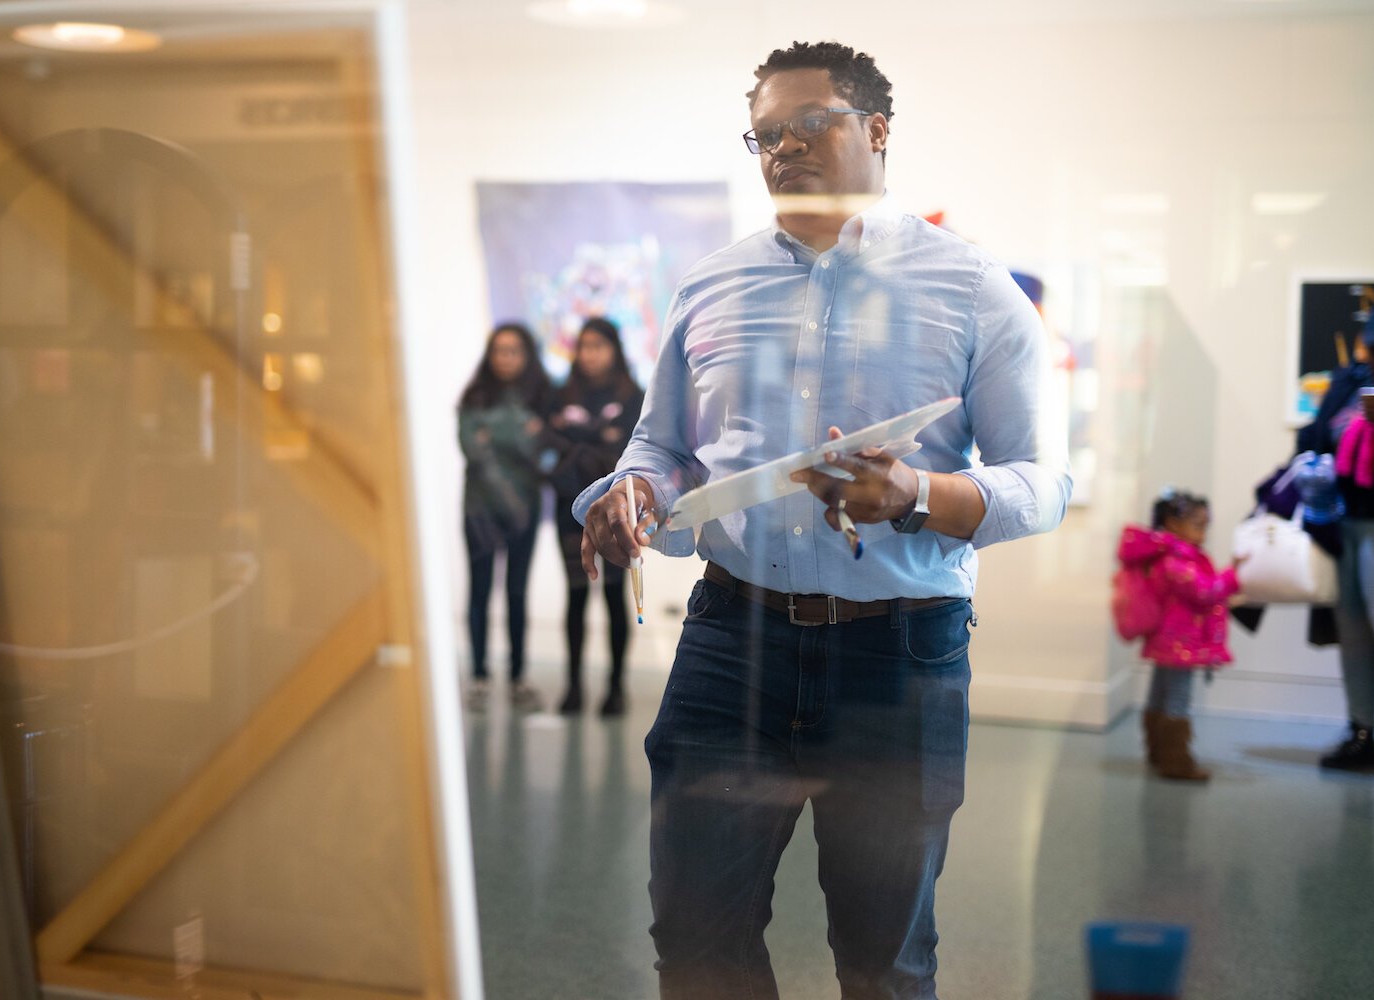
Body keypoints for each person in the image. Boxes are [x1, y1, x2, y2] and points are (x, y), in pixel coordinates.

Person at [574, 41, 1070, 999]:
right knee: (695, 935)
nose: (782, 150)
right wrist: (630, 492)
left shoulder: (974, 290)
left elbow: (1043, 484)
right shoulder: (709, 285)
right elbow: (660, 447)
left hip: (900, 657)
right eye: (764, 136)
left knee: (883, 960)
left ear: (876, 132)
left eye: (809, 126)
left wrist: (919, 496)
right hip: (730, 643)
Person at [546, 317, 644, 716]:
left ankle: (616, 687)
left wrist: (581, 449)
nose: (590, 353)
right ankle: (573, 686)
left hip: (617, 510)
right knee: (574, 596)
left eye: (599, 346)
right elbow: (549, 448)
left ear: (615, 350)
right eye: (584, 346)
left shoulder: (634, 396)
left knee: (613, 596)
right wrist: (597, 446)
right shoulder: (560, 395)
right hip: (570, 509)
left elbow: (631, 452)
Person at [1116, 489, 1241, 781]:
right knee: (1177, 700)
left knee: (1159, 695)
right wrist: (1232, 576)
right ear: (1172, 524)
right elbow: (1205, 592)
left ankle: (1158, 751)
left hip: (1167, 641)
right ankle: (1176, 761)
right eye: (1198, 525)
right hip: (1181, 644)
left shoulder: (1166, 556)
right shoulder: (1178, 561)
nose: (1204, 533)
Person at [458, 322, 549, 712]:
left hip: (524, 510)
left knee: (516, 592)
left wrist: (493, 433)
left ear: (526, 355)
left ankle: (517, 677)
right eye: (498, 350)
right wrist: (518, 432)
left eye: (513, 351)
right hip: (479, 509)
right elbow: (471, 448)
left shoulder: (544, 398)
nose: (505, 358)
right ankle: (478, 675)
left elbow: (541, 449)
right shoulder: (474, 396)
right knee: (479, 591)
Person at [1316, 303, 1374, 772]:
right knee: (1354, 634)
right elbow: (1317, 435)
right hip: (1345, 523)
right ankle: (1361, 734)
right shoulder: (1349, 382)